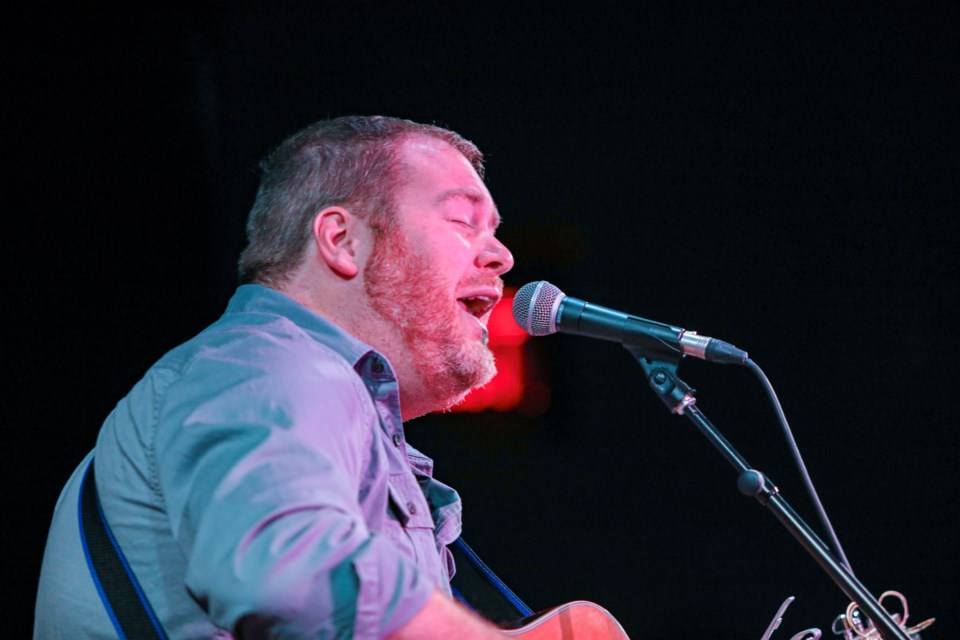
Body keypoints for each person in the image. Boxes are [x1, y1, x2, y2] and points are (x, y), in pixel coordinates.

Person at [34, 115, 515, 639]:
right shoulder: (269, 361)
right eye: (463, 221)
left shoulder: (306, 386)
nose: (501, 256)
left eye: (493, 231)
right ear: (341, 240)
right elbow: (290, 578)